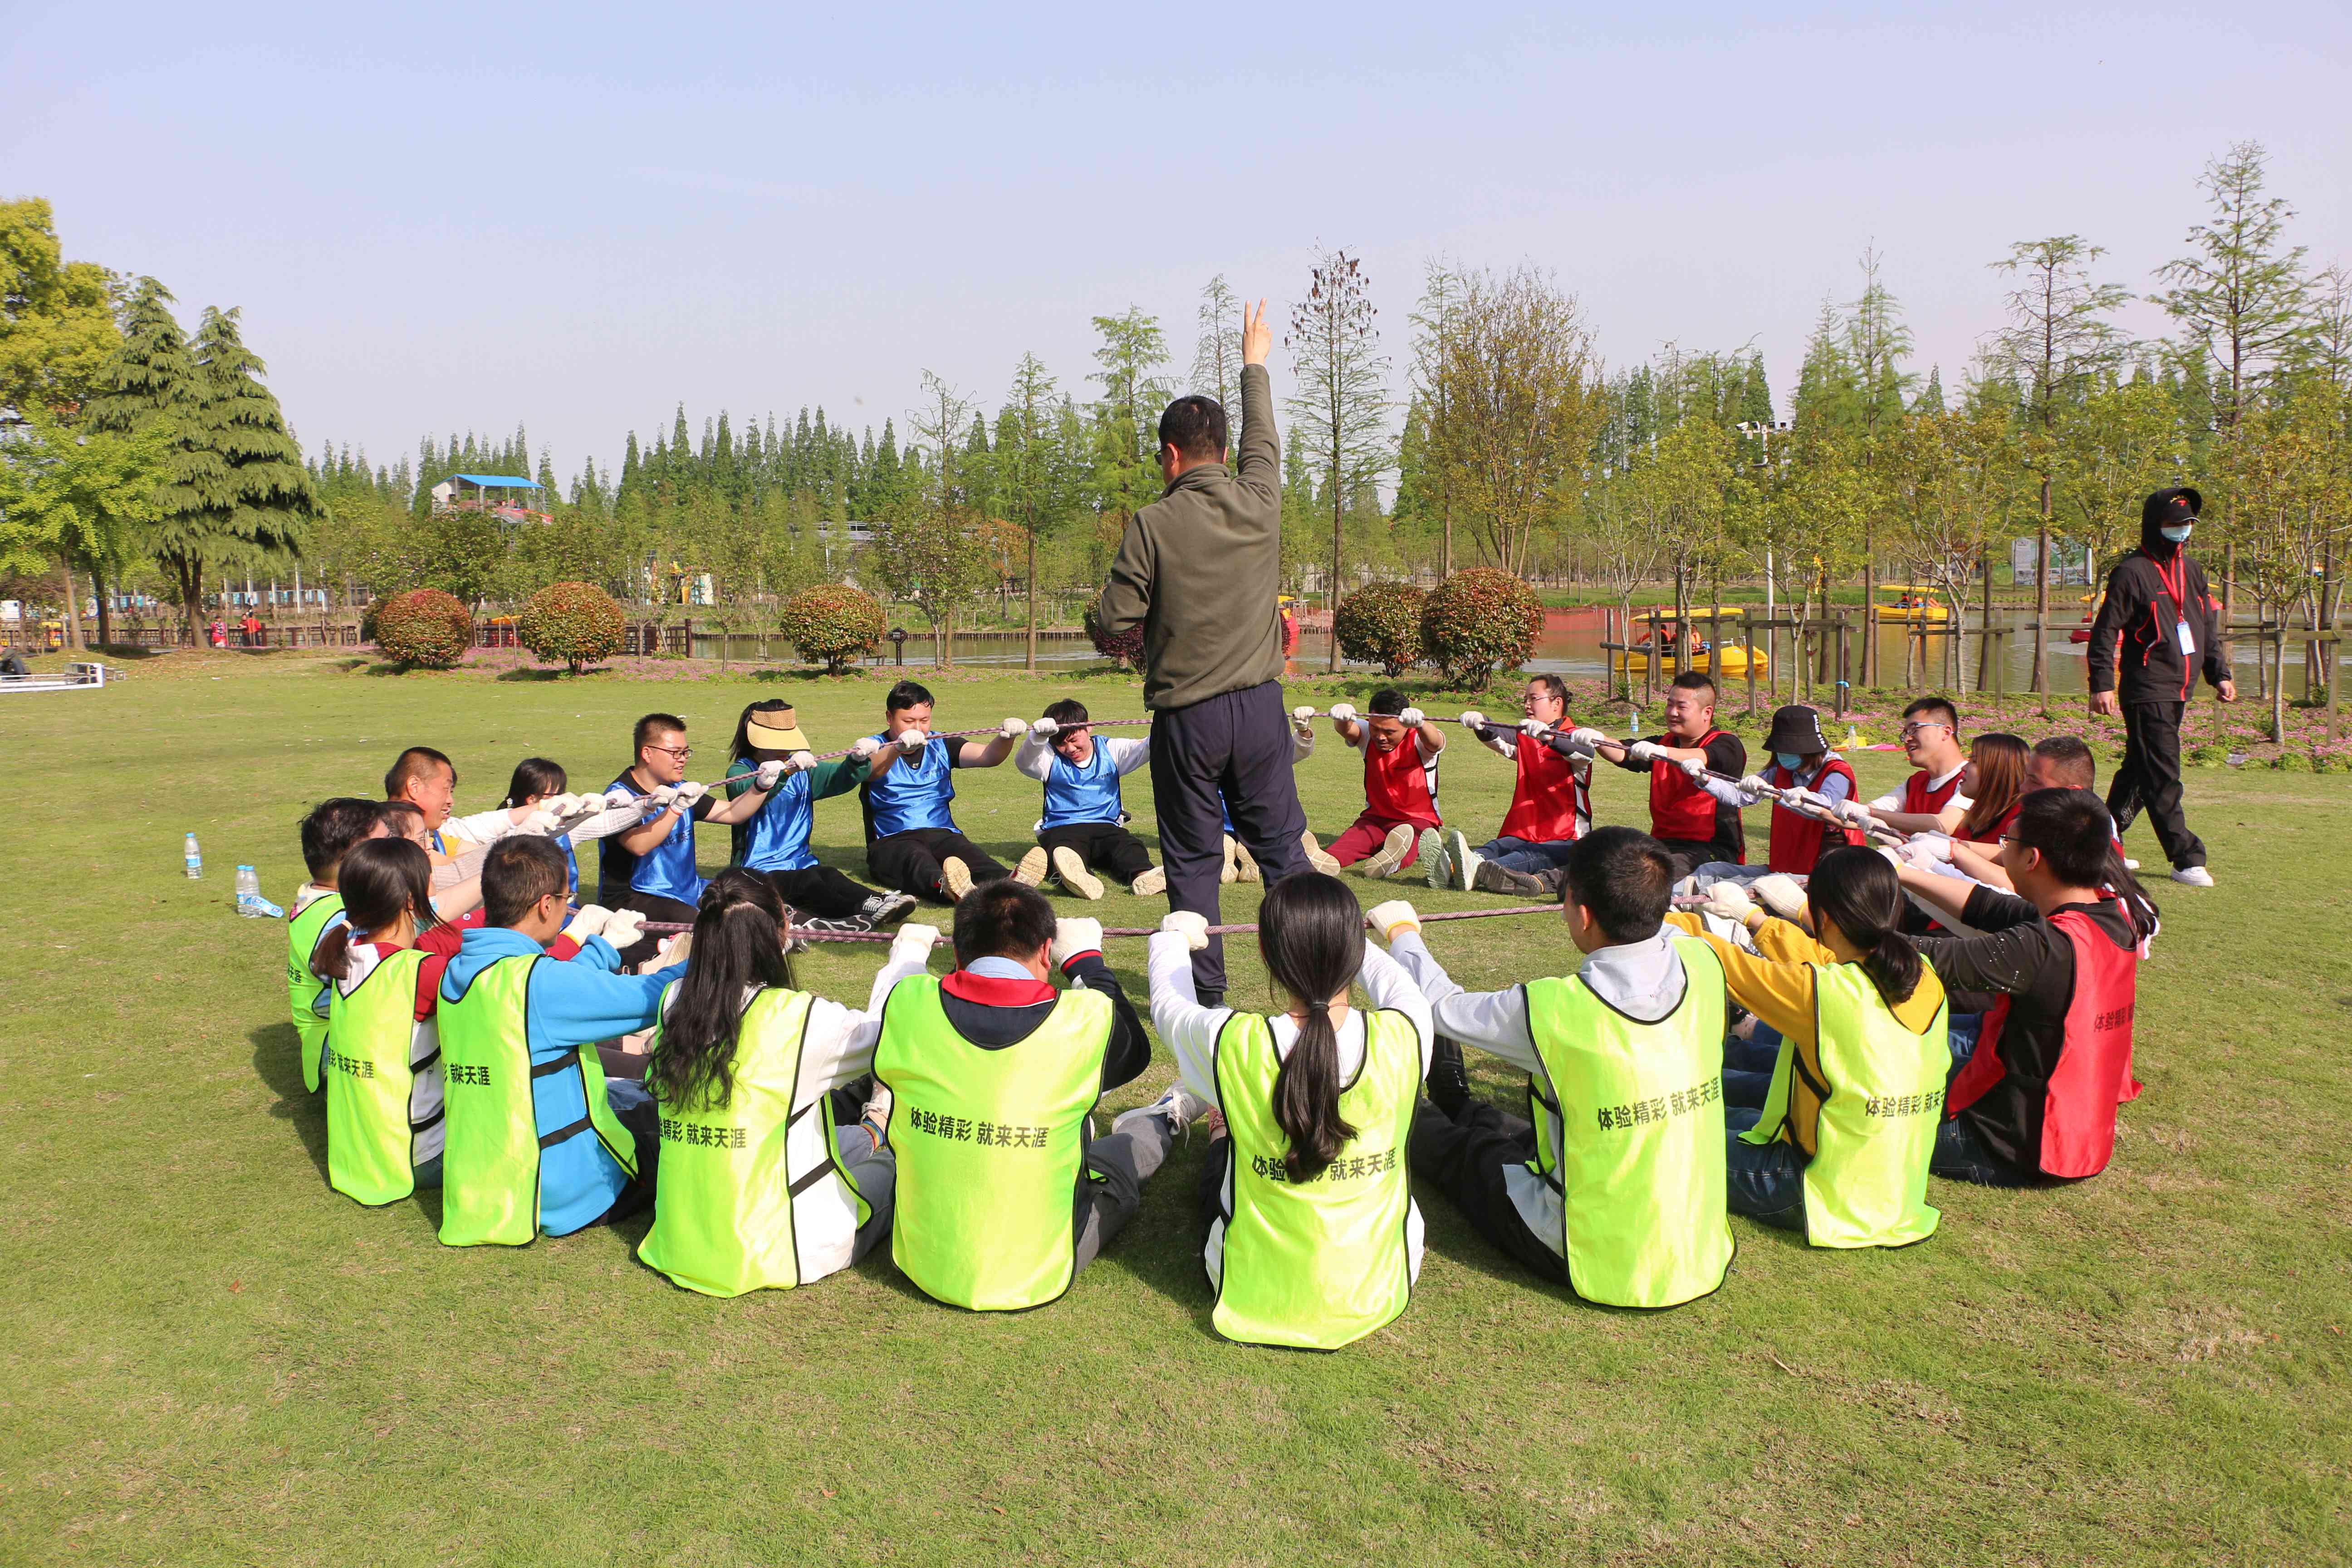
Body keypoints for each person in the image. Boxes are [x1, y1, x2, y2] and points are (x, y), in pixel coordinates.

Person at [1379, 827, 1734, 1309]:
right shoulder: (1706, 961)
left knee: (1472, 1153)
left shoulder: (1555, 1009)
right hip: (1697, 1244)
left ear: (1583, 914)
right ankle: (1463, 1105)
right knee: (1518, 1130)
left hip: (1585, 1253)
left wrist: (1403, 934)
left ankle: (1410, 1113)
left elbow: (1444, 1007)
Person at [1098, 298, 1307, 1007]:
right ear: (1225, 450)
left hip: (1188, 720)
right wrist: (1254, 362)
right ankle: (1314, 984)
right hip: (1260, 708)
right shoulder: (1261, 500)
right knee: (1282, 852)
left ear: (1171, 455)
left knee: (1191, 865)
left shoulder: (1152, 522)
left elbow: (1116, 617)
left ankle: (1207, 1004)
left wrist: (1115, 624)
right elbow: (1265, 439)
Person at [871, 881, 1192, 1311]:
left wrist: (908, 954)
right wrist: (1085, 962)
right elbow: (1133, 1052)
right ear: (1046, 952)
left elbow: (898, 991)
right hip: (1036, 1272)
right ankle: (1161, 1119)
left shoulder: (907, 1002)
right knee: (1119, 1168)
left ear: (958, 952)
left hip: (922, 1261)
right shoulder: (1083, 1018)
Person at [1147, 874, 1433, 1350]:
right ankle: (1225, 1121)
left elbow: (1169, 1007)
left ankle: (1220, 1126)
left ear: (1264, 953)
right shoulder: (1409, 1033)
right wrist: (1378, 938)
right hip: (1381, 1281)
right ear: (1354, 953)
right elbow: (1403, 990)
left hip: (1248, 1284)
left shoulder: (1233, 1042)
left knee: (1227, 1152)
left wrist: (1172, 940)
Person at [637, 870, 930, 1297]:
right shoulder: (798, 1019)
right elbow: (888, 1030)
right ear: (778, 934)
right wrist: (908, 958)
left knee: (838, 1136)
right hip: (778, 1249)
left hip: (677, 1239)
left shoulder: (674, 999)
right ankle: (879, 1130)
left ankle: (872, 1129)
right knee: (889, 1168)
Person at [1665, 854, 1948, 1248]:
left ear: (1825, 919)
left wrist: (1663, 920)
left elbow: (1729, 964)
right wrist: (1754, 920)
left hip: (1816, 1190)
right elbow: (1823, 960)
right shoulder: (1922, 974)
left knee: (1668, 1135)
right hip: (1896, 1192)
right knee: (1723, 1112)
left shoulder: (1824, 993)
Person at [306, 838, 597, 1206]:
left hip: (364, 1151)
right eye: (431, 882)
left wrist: (496, 915)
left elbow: (437, 941)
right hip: (422, 1157)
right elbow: (511, 983)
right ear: (412, 901)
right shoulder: (417, 975)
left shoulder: (349, 952)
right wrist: (576, 939)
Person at [1896, 789, 2151, 1186]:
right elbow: (1991, 907)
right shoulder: (2108, 913)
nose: (2001, 850)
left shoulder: (2045, 948)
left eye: (2007, 842)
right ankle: (1761, 1037)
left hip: (2014, 1144)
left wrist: (1801, 913)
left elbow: (1929, 958)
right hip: (2075, 1129)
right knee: (1868, 1047)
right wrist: (1902, 872)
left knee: (1841, 1094)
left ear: (2031, 859)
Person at [433, 836, 681, 1245]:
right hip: (564, 1190)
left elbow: (559, 992)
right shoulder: (538, 984)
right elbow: (649, 997)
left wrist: (602, 946)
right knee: (673, 1129)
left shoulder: (463, 968)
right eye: (568, 899)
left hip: (489, 1183)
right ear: (546, 906)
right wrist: (718, 952)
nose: (569, 909)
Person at [2089, 485, 2237, 887]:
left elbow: (2205, 627)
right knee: (2163, 772)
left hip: (2180, 685)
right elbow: (2105, 632)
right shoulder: (2131, 572)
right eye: (2176, 524)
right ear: (2156, 526)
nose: (2184, 531)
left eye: (2189, 524)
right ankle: (2186, 857)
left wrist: (2218, 673)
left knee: (2140, 769)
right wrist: (2101, 682)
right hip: (2146, 686)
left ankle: (2100, 845)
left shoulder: (2192, 571)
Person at [600, 712, 786, 963]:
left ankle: (779, 936)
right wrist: (676, 809)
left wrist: (763, 786)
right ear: (647, 753)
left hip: (686, 887)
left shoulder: (680, 788)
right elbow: (638, 845)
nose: (682, 760)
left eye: (686, 752)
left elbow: (732, 813)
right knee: (702, 921)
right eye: (675, 753)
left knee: (753, 889)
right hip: (633, 896)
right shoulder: (619, 797)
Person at [721, 700, 915, 932]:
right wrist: (785, 773)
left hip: (800, 861)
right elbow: (744, 791)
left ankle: (879, 900)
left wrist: (857, 760)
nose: (784, 749)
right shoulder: (740, 771)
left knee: (827, 874)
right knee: (808, 884)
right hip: (758, 871)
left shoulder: (803, 770)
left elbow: (839, 778)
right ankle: (862, 907)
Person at [853, 681, 1033, 904]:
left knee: (970, 856)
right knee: (919, 861)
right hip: (892, 841)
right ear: (890, 718)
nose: (918, 728)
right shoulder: (872, 747)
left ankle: (1011, 881)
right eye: (908, 721)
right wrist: (897, 749)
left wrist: (1006, 738)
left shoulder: (941, 743)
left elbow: (988, 757)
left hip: (942, 832)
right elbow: (872, 771)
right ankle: (946, 887)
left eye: (924, 721)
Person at [1421, 675, 1593, 896]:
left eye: (1534, 698)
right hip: (1524, 831)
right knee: (1497, 847)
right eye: (1525, 699)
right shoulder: (1526, 736)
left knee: (1528, 855)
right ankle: (1453, 866)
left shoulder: (1574, 738)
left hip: (1568, 838)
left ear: (1557, 703)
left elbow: (1584, 753)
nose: (1526, 705)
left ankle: (1473, 870)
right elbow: (1499, 736)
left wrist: (1548, 737)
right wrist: (1481, 722)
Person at [1587, 672, 1747, 876]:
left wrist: (1662, 754)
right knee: (1606, 851)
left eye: (1681, 707)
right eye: (1669, 704)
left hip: (1712, 850)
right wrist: (1598, 739)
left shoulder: (1727, 744)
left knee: (1647, 873)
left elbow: (1705, 757)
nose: (1672, 712)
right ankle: (1544, 881)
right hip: (1662, 845)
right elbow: (1623, 753)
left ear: (1707, 713)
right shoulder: (1663, 743)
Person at [1011, 698, 1168, 901]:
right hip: (1062, 828)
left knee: (1129, 847)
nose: (1070, 749)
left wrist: (1169, 721)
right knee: (1060, 853)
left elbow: (1148, 746)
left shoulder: (1111, 750)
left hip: (1106, 827)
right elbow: (1024, 763)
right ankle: (1078, 879)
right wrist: (1037, 738)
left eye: (1074, 740)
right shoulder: (1049, 758)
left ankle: (1143, 876)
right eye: (1061, 743)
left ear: (1089, 727)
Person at [287, 798, 387, 1094]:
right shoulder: (337, 919)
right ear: (352, 855)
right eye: (385, 844)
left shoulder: (317, 895)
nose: (396, 851)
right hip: (337, 1061)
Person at [1313, 690, 1445, 879]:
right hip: (1375, 820)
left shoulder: (1418, 739)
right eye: (1376, 728)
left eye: (1389, 732)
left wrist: (1422, 724)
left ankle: (1389, 863)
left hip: (1418, 822)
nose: (1381, 736)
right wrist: (1342, 718)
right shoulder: (1368, 734)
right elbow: (1348, 729)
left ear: (1407, 726)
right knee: (1338, 850)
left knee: (1410, 847)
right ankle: (1318, 861)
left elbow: (1436, 743)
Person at [1849, 697, 1971, 837]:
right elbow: (1862, 813)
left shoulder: (1972, 780)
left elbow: (1943, 826)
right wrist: (1823, 810)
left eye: (1914, 729)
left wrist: (1870, 813)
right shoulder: (1916, 782)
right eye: (1905, 733)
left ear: (1946, 732)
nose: (1907, 740)